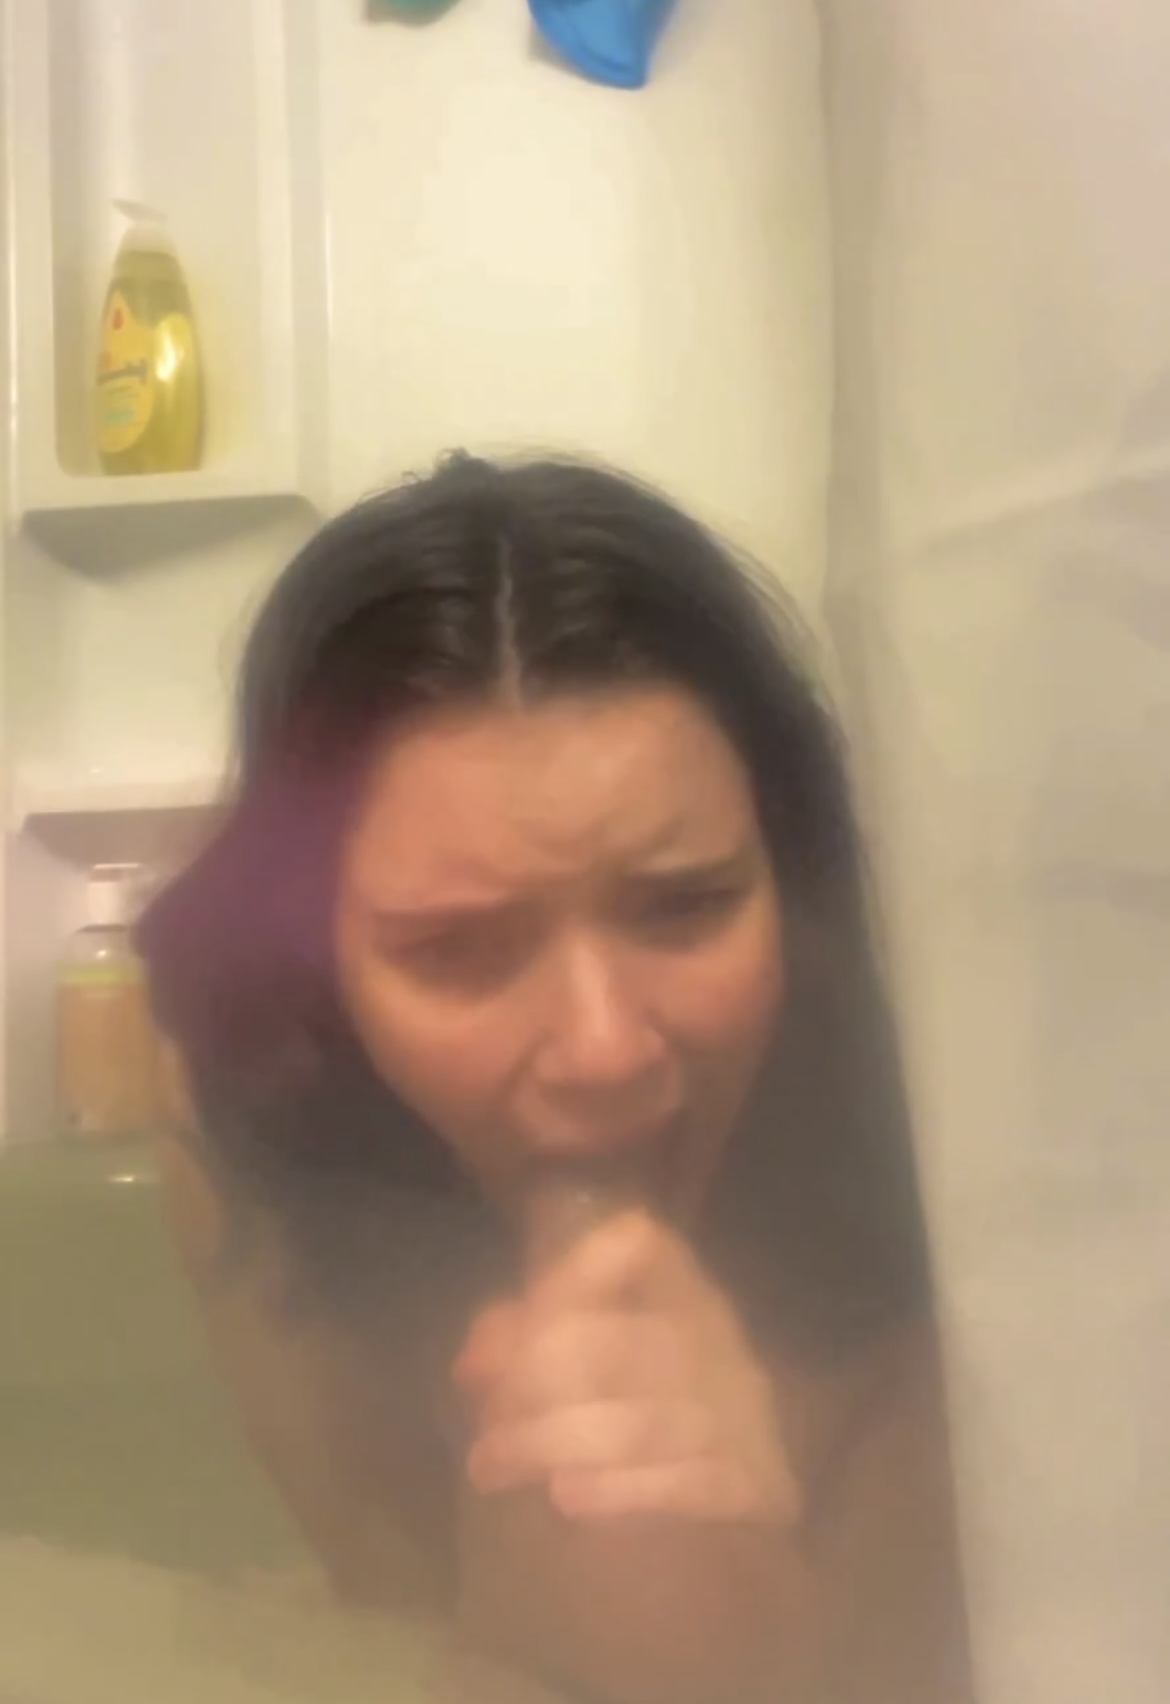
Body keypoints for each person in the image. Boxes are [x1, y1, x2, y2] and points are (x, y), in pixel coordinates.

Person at [139, 454, 971, 1704]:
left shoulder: (939, 1180)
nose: (603, 1048)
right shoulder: (245, 1130)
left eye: (686, 906)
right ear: (317, 966)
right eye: (457, 948)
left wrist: (727, 1606)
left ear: (790, 886)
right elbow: (388, 1613)